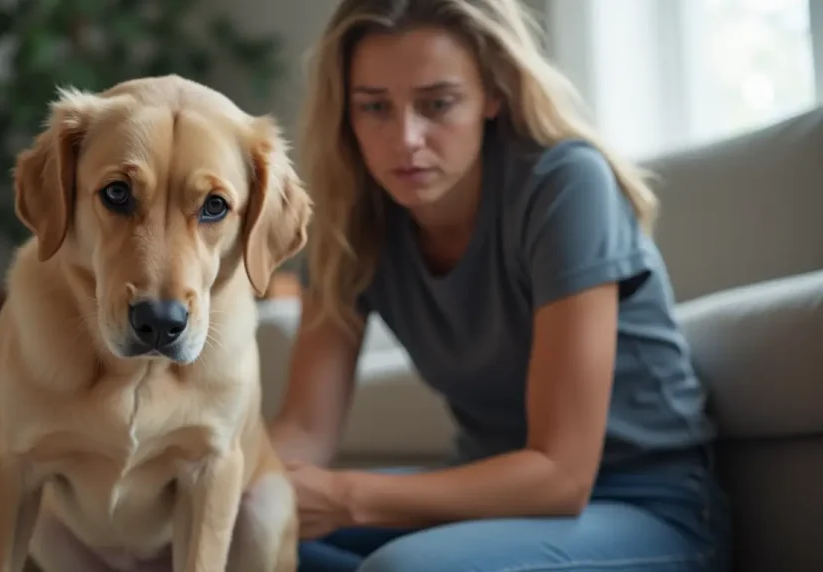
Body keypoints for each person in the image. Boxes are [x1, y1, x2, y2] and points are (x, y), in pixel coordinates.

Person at [266, 0, 733, 571]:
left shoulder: (565, 185)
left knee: (405, 568)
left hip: (641, 505)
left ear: (493, 92)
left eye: (437, 104)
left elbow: (562, 476)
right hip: (489, 509)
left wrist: (345, 499)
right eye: (375, 108)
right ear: (346, 113)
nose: (407, 138)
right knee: (249, 547)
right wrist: (210, 499)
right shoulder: (351, 222)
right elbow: (305, 430)